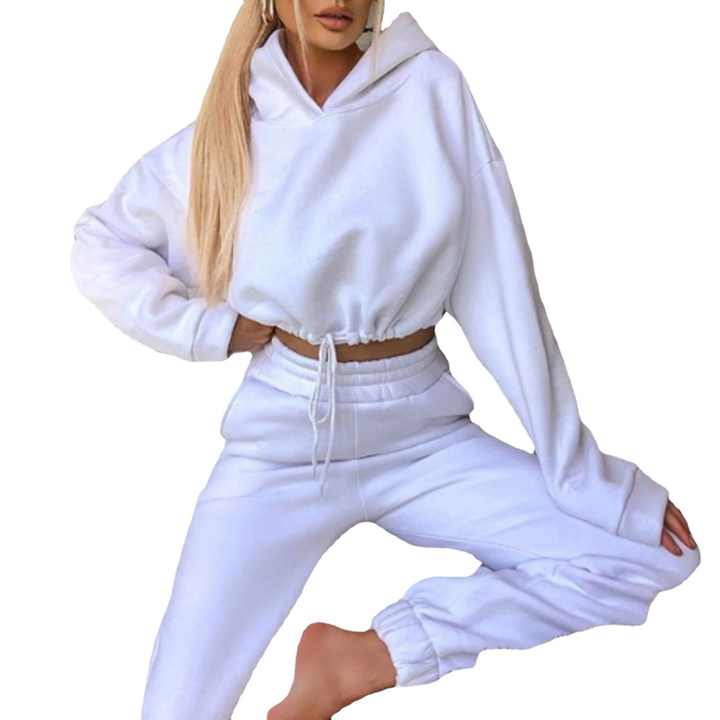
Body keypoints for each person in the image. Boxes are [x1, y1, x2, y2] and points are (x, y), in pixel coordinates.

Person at [70, 2, 700, 719]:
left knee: (651, 554)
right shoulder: (235, 127)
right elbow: (101, 242)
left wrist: (583, 473)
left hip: (420, 432)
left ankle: (359, 659)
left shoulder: (428, 89)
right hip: (284, 437)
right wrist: (209, 329)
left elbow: (504, 289)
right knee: (176, 710)